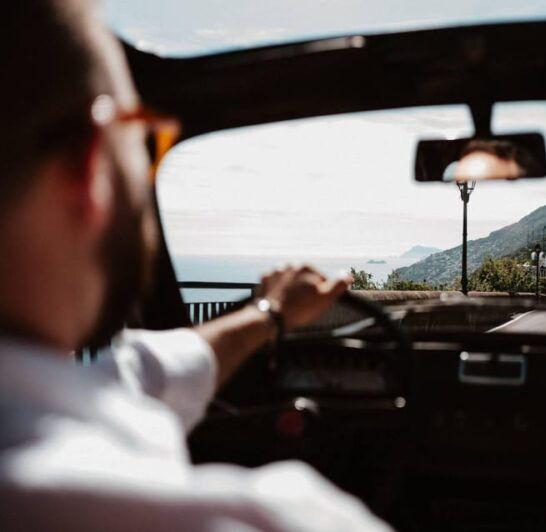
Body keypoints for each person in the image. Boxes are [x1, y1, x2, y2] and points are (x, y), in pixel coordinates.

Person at [0, 2, 390, 530]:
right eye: (143, 142)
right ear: (87, 167)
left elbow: (139, 369)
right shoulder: (261, 519)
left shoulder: (53, 392)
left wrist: (271, 312)